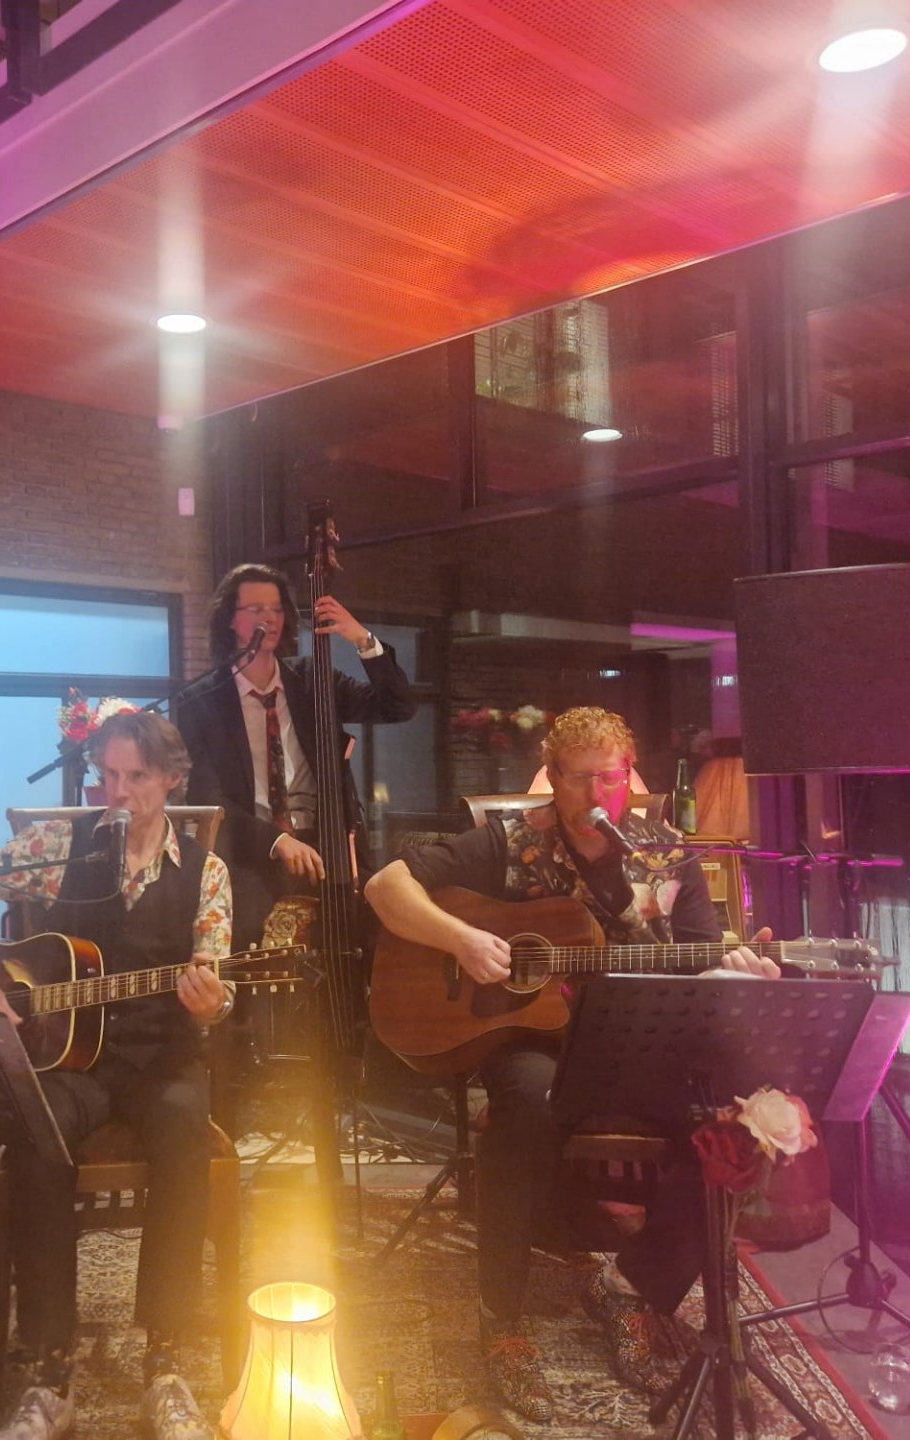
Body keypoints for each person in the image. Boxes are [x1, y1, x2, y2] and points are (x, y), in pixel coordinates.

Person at [362, 706, 778, 1421]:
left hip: (639, 1041)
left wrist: (736, 973)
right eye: (579, 779)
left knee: (737, 1123)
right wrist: (462, 939)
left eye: (609, 778)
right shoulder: (508, 843)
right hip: (536, 1043)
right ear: (552, 779)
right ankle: (501, 1315)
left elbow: (699, 964)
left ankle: (630, 1289)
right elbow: (384, 887)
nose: (595, 794)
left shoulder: (666, 856)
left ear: (629, 777)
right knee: (526, 1105)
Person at [0, 711, 234, 1440]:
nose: (117, 793)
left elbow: (217, 985)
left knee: (184, 1133)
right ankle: (51, 1374)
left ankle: (165, 1365)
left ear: (171, 779)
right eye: (107, 776)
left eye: (136, 777)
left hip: (161, 1057)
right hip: (69, 1060)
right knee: (37, 1139)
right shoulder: (60, 844)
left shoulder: (207, 872)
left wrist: (213, 1003)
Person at [173, 562, 417, 948]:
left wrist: (362, 639)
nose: (268, 618)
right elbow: (207, 797)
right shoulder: (202, 700)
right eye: (256, 608)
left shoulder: (313, 680)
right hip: (252, 853)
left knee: (357, 944)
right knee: (259, 952)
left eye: (276, 609)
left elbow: (397, 706)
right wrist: (275, 841)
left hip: (327, 845)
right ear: (230, 619)